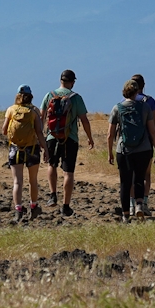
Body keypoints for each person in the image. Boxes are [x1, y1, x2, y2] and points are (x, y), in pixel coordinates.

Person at [41, 68, 94, 218]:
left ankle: (52, 195)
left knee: (52, 165)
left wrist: (40, 137)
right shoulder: (76, 98)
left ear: (60, 80)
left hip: (52, 137)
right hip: (70, 138)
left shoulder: (49, 95)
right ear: (72, 82)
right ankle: (66, 206)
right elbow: (84, 120)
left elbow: (41, 116)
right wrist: (90, 137)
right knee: (68, 172)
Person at [107, 79, 155, 222]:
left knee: (125, 182)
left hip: (123, 150)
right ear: (137, 91)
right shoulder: (145, 107)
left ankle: (125, 214)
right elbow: (152, 131)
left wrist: (110, 152)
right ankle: (139, 205)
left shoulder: (117, 108)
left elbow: (110, 134)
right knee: (139, 178)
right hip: (143, 149)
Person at [2, 84, 49, 223]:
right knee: (33, 180)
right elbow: (39, 132)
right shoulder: (34, 111)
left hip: (15, 149)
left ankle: (18, 210)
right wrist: (45, 148)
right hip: (32, 148)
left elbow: (4, 130)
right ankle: (33, 206)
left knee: (18, 182)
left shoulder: (11, 110)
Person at [130, 74, 155, 214]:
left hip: (130, 143)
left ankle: (132, 205)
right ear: (143, 85)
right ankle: (143, 203)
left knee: (132, 175)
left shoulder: (124, 101)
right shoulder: (150, 101)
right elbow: (154, 125)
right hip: (146, 143)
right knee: (146, 174)